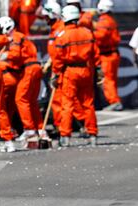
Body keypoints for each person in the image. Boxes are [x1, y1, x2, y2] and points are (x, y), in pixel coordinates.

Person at [52, 5, 100, 147]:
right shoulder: (87, 32)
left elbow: (58, 58)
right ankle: (92, 134)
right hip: (85, 70)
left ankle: (65, 136)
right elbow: (95, 53)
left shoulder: (63, 35)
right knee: (88, 104)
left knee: (67, 104)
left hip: (70, 72)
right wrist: (97, 69)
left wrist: (55, 74)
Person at [0, 17, 45, 142]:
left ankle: (29, 130)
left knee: (21, 99)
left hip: (28, 68)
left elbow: (16, 54)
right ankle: (40, 128)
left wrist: (1, 57)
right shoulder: (19, 36)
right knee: (32, 101)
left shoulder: (15, 36)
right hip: (34, 66)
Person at [42, 1, 86, 136]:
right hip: (57, 66)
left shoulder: (61, 29)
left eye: (47, 17)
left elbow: (61, 50)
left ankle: (83, 124)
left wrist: (55, 69)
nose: (45, 20)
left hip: (63, 69)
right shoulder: (55, 29)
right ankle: (60, 125)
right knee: (57, 99)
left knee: (68, 99)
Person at [94, 0, 123, 111]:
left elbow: (100, 37)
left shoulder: (104, 21)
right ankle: (115, 100)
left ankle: (114, 101)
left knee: (107, 79)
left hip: (107, 55)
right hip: (113, 54)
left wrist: (90, 33)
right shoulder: (110, 20)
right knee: (112, 79)